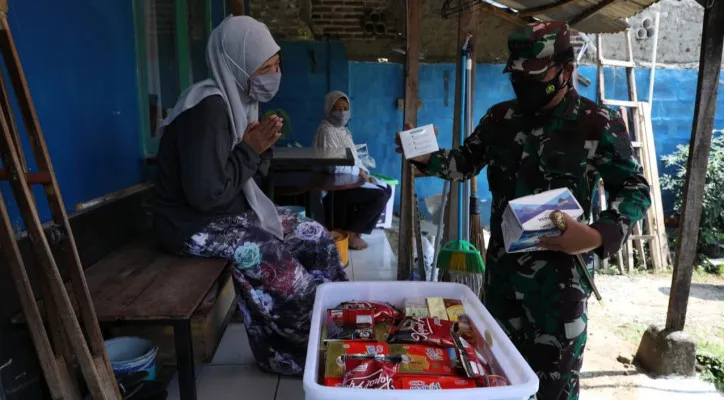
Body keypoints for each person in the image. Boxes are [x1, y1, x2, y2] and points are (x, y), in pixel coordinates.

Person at [395, 22, 651, 400]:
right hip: (502, 279)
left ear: (565, 70)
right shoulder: (500, 119)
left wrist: (598, 235)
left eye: (533, 74)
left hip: (559, 289)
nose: (522, 82)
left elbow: (634, 189)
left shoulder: (597, 124)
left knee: (553, 390)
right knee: (496, 378)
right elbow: (464, 163)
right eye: (516, 73)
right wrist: (428, 158)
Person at [152, 15, 347, 376]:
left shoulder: (239, 101)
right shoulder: (207, 111)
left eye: (276, 65)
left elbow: (245, 176)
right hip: (190, 223)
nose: (274, 75)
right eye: (265, 68)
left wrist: (260, 149)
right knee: (283, 270)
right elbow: (206, 195)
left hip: (225, 210)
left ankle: (337, 330)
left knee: (317, 238)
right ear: (236, 65)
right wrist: (250, 150)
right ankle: (293, 356)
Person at [313, 91, 392, 250]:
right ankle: (351, 232)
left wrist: (364, 173)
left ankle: (356, 232)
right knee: (379, 196)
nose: (342, 112)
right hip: (335, 187)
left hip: (350, 179)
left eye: (345, 107)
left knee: (387, 188)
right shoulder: (327, 131)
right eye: (337, 108)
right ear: (328, 109)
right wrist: (359, 173)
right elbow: (333, 166)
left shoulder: (343, 131)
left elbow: (354, 158)